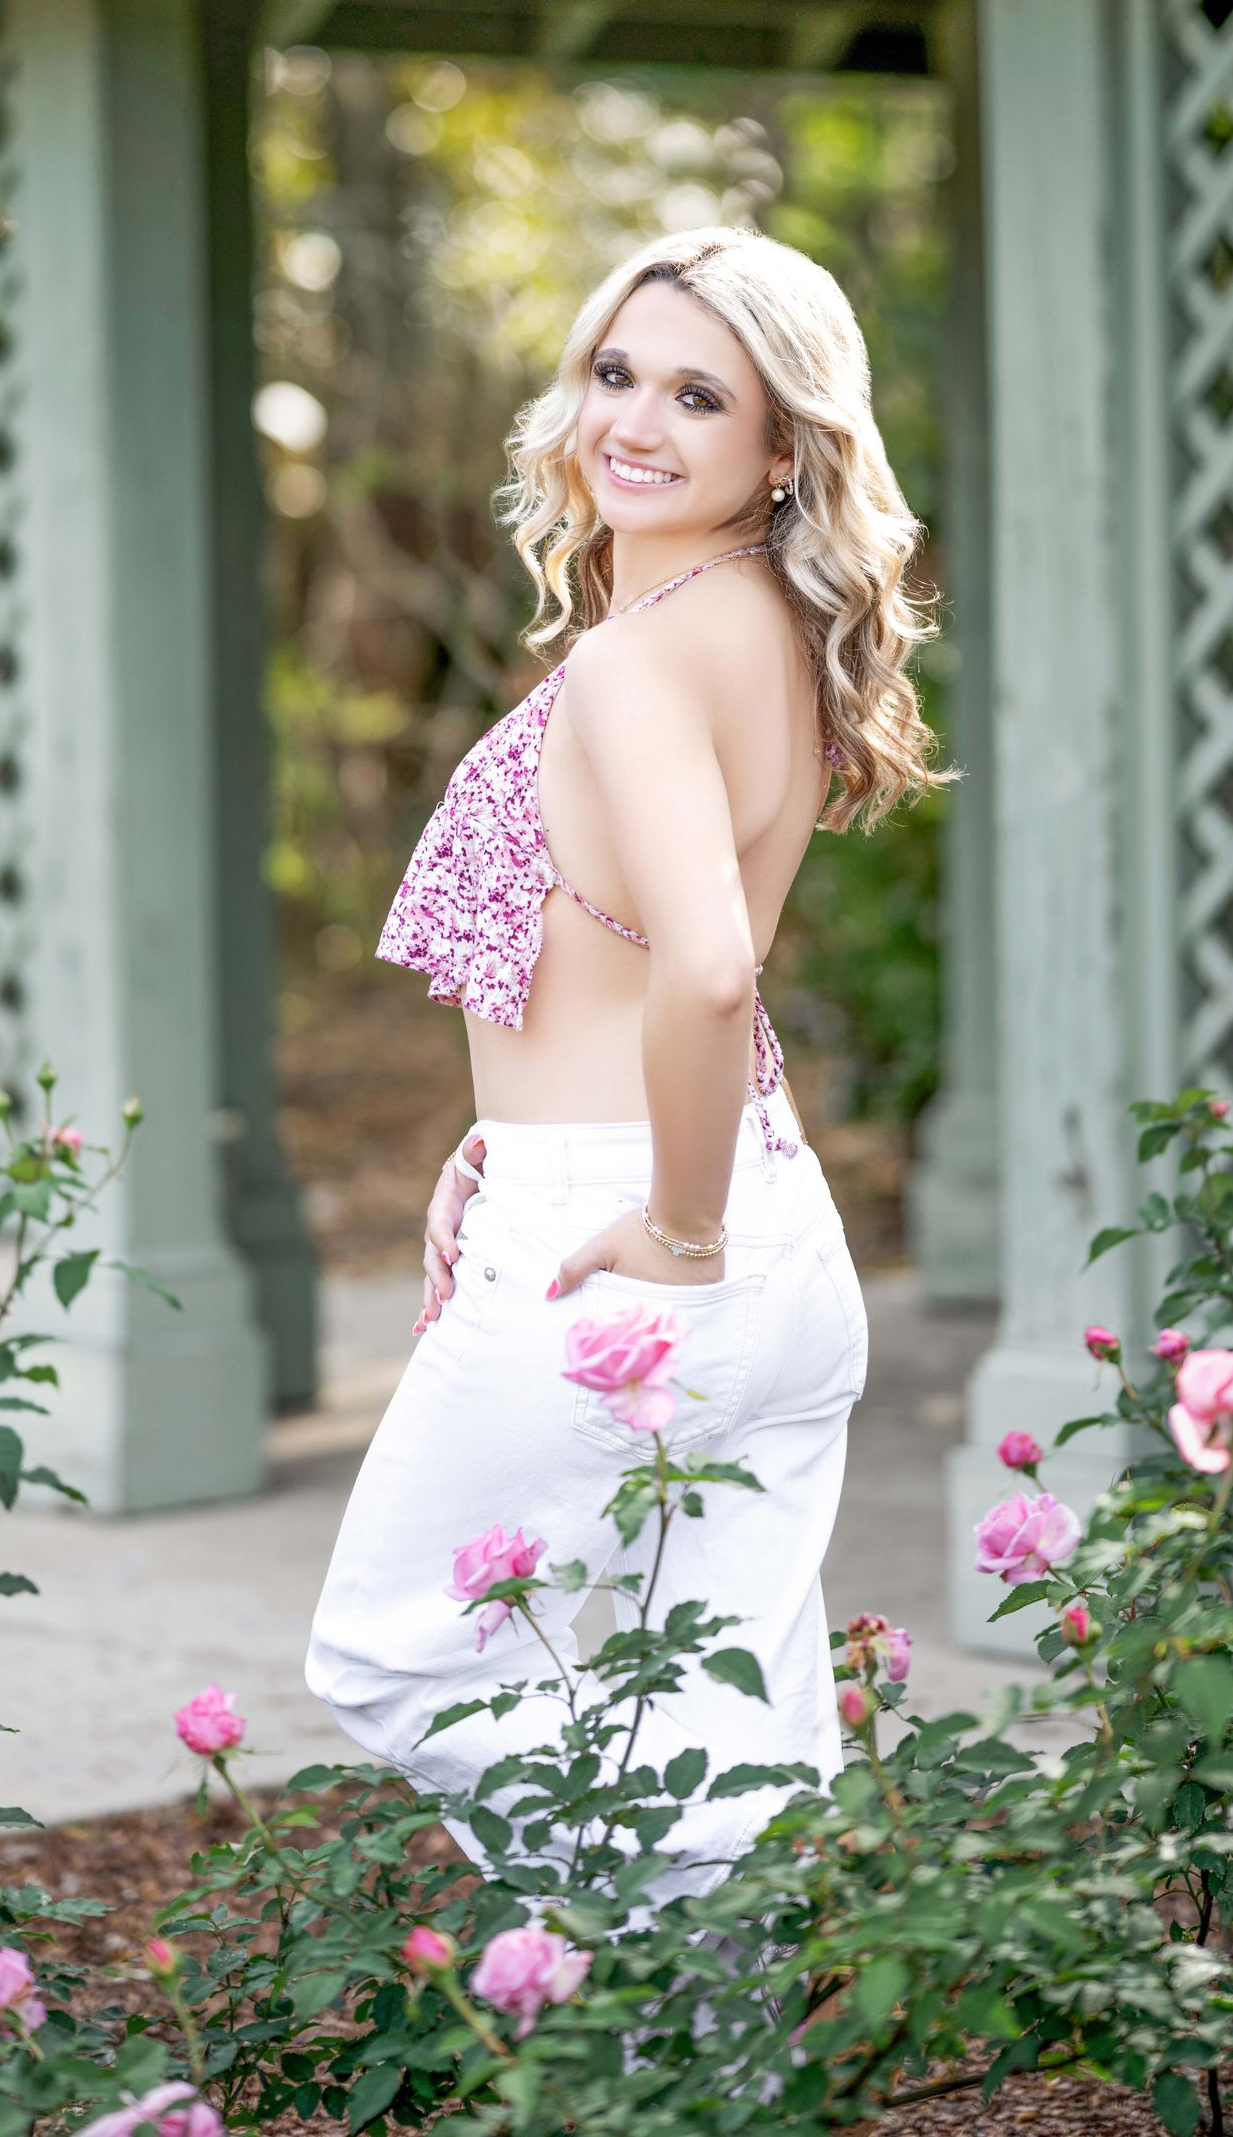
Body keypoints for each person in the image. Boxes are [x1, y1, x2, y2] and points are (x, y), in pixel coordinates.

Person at [304, 224, 940, 1891]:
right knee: (727, 1702)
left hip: (639, 1233)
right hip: (752, 1211)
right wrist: (497, 1132)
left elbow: (713, 969)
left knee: (393, 1652)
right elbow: (637, 949)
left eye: (698, 395)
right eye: (615, 373)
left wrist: (668, 1220)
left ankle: (654, 1900)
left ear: (783, 447)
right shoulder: (768, 630)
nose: (634, 422)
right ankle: (715, 2050)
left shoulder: (636, 657)